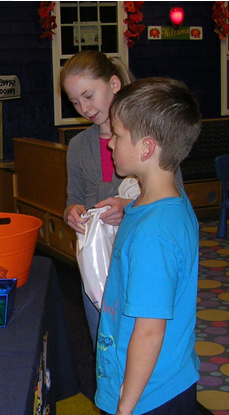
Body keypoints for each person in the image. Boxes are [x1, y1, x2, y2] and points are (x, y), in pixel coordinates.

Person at [59, 51, 183, 345]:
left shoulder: (149, 141)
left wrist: (128, 208)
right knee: (102, 339)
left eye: (89, 96)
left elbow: (174, 201)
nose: (84, 107)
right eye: (75, 102)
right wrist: (72, 212)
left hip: (142, 259)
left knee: (142, 338)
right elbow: (72, 198)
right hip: (97, 263)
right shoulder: (78, 146)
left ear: (114, 84)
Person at [95, 77, 201, 415]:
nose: (110, 143)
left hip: (147, 394)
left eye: (118, 135)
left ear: (146, 148)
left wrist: (125, 406)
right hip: (165, 377)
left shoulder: (153, 236)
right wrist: (126, 206)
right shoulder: (164, 201)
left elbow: (150, 332)